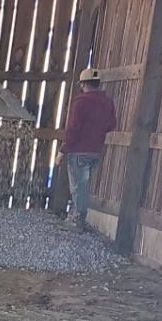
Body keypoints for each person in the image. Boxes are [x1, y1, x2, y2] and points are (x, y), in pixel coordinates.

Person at [61, 67, 117, 232]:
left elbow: (73, 128)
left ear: (83, 84)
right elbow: (112, 124)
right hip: (95, 151)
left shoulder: (81, 102)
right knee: (84, 185)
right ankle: (75, 216)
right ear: (98, 84)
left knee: (78, 186)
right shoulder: (108, 102)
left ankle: (78, 220)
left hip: (79, 150)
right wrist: (96, 131)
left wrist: (63, 149)